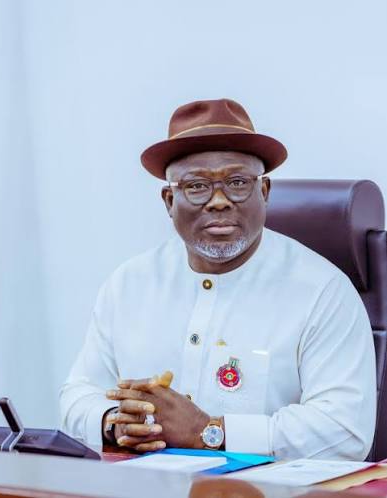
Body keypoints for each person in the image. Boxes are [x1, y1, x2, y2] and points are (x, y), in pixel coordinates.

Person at [59, 98, 376, 460]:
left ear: (264, 192)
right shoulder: (129, 284)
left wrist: (209, 431)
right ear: (169, 200)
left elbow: (344, 432)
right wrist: (117, 422)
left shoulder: (323, 290)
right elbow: (76, 396)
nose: (219, 201)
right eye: (196, 186)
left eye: (238, 182)